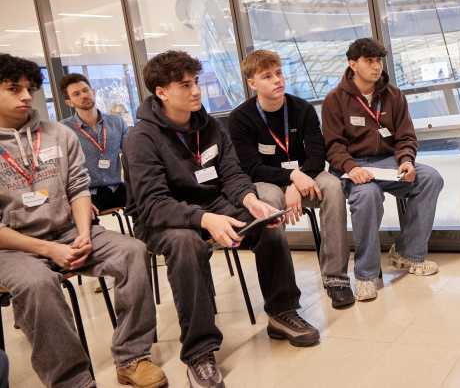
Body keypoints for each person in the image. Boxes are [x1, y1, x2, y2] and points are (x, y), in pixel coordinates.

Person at [122, 50, 318, 388]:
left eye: (196, 81)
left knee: (268, 223)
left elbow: (232, 174)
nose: (196, 90)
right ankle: (200, 350)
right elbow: (153, 204)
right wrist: (204, 219)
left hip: (212, 203)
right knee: (186, 244)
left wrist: (251, 201)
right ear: (162, 92)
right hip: (160, 218)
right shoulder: (141, 138)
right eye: (185, 85)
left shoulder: (209, 125)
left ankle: (281, 312)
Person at [0, 54, 166, 388]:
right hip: (13, 247)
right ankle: (71, 380)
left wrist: (85, 233)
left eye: (30, 88)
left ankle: (132, 357)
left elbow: (78, 187)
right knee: (37, 285)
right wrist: (49, 250)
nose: (26, 96)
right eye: (13, 88)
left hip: (69, 231)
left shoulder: (58, 134)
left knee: (133, 251)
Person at [228, 50, 353, 308]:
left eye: (279, 73)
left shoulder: (302, 108)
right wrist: (291, 178)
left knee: (332, 187)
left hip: (305, 173)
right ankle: (282, 292)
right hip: (267, 179)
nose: (277, 80)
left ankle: (336, 279)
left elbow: (318, 154)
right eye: (267, 76)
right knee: (270, 203)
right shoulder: (240, 118)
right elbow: (252, 168)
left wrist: (297, 181)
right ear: (252, 84)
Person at [321, 38, 444, 301]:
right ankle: (365, 276)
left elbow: (406, 137)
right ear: (353, 64)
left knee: (431, 178)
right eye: (369, 61)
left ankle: (407, 253)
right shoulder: (335, 99)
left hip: (388, 163)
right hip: (350, 166)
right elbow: (333, 146)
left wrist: (407, 160)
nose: (376, 66)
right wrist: (352, 168)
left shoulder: (393, 95)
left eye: (379, 60)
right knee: (367, 195)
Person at [58, 73, 128, 217]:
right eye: (76, 94)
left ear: (93, 92)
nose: (84, 95)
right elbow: (62, 168)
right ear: (69, 102)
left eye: (85, 90)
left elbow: (132, 153)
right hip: (88, 192)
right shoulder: (64, 129)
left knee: (149, 202)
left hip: (117, 187)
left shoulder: (116, 122)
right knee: (83, 217)